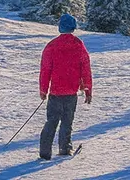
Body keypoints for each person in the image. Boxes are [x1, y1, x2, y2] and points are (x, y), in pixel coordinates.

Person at [39, 13, 93, 159]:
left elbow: (45, 70)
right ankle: (65, 148)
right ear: (73, 27)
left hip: (55, 92)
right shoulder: (78, 45)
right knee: (67, 122)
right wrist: (87, 89)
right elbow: (85, 68)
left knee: (51, 121)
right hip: (71, 92)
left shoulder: (51, 46)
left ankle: (45, 152)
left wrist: (43, 89)